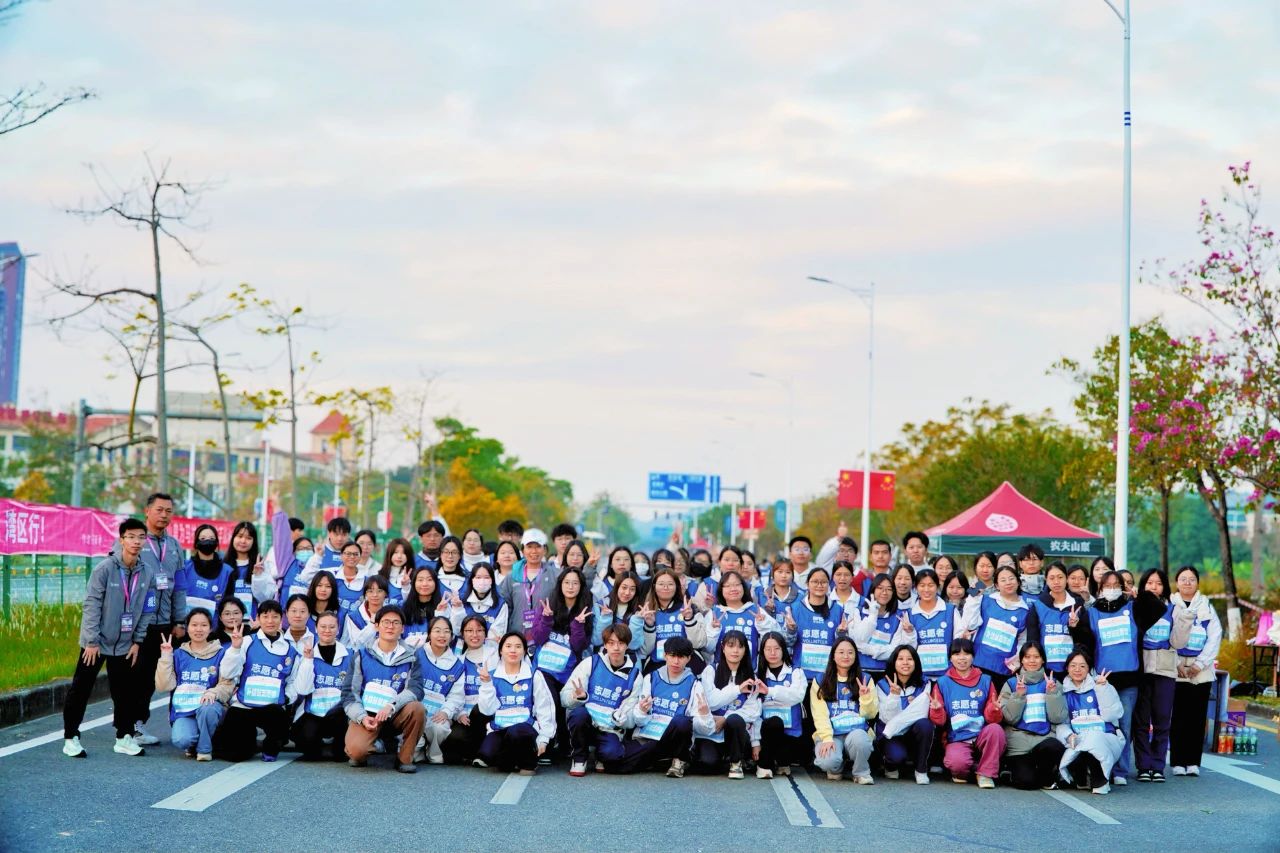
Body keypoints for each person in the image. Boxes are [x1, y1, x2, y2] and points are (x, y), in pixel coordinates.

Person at [63, 518, 158, 759]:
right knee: (81, 689)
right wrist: (91, 641)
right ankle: (71, 737)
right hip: (96, 643)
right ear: (121, 539)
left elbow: (148, 609)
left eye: (141, 537)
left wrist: (137, 641)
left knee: (124, 692)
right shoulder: (105, 569)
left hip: (125, 644)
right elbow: (91, 605)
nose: (136, 542)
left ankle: (123, 737)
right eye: (131, 537)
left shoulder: (147, 572)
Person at [1080, 567, 1167, 784]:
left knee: (1125, 727)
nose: (1111, 589)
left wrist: (1139, 595)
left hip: (1129, 678)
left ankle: (1120, 771)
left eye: (1116, 585)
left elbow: (1159, 608)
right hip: (1103, 679)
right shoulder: (1093, 611)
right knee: (1104, 726)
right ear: (1100, 589)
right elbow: (1085, 640)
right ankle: (1104, 768)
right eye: (1107, 586)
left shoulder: (1133, 608)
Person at [218, 599, 315, 762]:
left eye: (275, 617)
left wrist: (286, 698)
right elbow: (227, 673)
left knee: (279, 719)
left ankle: (271, 745)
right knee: (235, 755)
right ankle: (249, 743)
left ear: (281, 619)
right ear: (258, 618)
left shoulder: (290, 651)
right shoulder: (246, 641)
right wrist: (234, 648)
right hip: (244, 705)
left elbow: (292, 682)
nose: (270, 621)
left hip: (272, 708)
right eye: (265, 616)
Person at [341, 604, 424, 772]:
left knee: (417, 709)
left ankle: (405, 758)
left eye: (396, 622)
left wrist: (391, 706)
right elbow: (350, 694)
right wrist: (362, 717)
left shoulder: (412, 656)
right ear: (377, 626)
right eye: (386, 622)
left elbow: (415, 690)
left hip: (395, 712)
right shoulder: (361, 655)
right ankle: (378, 744)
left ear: (403, 629)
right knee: (356, 752)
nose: (390, 626)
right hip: (368, 715)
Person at [1133, 567, 1193, 782]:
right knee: (1141, 722)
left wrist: (1185, 619)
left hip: (1165, 671)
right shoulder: (1135, 607)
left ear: (1165, 587)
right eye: (1149, 583)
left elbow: (1178, 643)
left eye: (1158, 583)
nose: (1154, 587)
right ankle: (1143, 765)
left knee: (1162, 721)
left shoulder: (1173, 609)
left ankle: (1158, 766)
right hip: (1142, 671)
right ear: (1143, 585)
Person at [132, 492, 183, 748]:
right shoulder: (137, 542)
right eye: (159, 510)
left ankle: (141, 724)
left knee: (158, 675)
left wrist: (180, 620)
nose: (164, 515)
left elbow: (180, 585)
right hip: (140, 623)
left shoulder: (174, 546)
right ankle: (130, 726)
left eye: (168, 511)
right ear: (147, 511)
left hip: (166, 623)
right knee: (137, 676)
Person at [626, 636, 715, 778]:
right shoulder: (651, 678)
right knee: (619, 763)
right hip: (650, 737)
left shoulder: (695, 684)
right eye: (672, 656)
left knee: (682, 721)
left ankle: (679, 760)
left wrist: (704, 715)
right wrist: (642, 711)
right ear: (665, 655)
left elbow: (705, 729)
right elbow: (639, 720)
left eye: (681, 657)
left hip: (674, 739)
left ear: (688, 658)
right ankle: (659, 759)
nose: (676, 661)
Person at [156, 608, 238, 760]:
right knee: (182, 740)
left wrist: (213, 692)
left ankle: (204, 749)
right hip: (185, 710)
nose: (199, 629)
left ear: (210, 628)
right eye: (194, 625)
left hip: (211, 708)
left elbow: (227, 684)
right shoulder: (178, 654)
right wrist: (166, 657)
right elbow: (163, 686)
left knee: (207, 709)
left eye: (204, 625)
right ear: (187, 628)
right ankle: (196, 740)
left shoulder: (221, 653)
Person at [561, 623, 643, 776]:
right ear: (605, 645)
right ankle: (579, 757)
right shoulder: (591, 662)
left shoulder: (635, 675)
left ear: (627, 645)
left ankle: (600, 754)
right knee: (578, 715)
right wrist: (577, 697)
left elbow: (631, 719)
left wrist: (622, 719)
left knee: (612, 755)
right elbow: (564, 699)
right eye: (611, 643)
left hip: (609, 729)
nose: (616, 648)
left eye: (621, 643)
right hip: (587, 723)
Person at [531, 566, 593, 759]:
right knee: (548, 704)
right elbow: (538, 638)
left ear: (581, 586)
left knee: (564, 705)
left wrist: (578, 625)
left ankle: (563, 746)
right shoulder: (548, 605)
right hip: (544, 669)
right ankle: (546, 746)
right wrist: (546, 618)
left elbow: (579, 646)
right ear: (560, 584)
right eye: (567, 582)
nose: (571, 586)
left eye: (575, 583)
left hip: (568, 671)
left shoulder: (585, 610)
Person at [928, 638, 1006, 788]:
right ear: (950, 658)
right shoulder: (943, 683)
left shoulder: (985, 680)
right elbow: (940, 721)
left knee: (996, 730)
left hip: (982, 734)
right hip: (957, 737)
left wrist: (994, 709)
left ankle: (985, 774)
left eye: (966, 654)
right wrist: (936, 710)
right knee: (957, 765)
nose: (962, 658)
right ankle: (975, 768)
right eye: (957, 654)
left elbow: (993, 719)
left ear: (973, 656)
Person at [1168, 565, 1223, 777]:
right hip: (1176, 667)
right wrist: (1177, 663)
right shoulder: (1170, 605)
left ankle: (1193, 762)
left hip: (1201, 669)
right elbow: (1165, 635)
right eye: (1183, 579)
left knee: (1197, 717)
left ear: (1198, 583)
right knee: (1178, 716)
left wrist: (1200, 663)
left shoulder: (1206, 605)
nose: (1187, 583)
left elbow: (1215, 635)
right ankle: (1177, 761)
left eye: (1192, 579)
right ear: (1176, 582)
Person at [476, 632, 557, 774]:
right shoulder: (492, 676)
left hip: (525, 729)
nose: (513, 650)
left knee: (516, 732)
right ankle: (513, 761)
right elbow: (487, 710)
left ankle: (528, 763)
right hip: (500, 729)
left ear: (524, 651)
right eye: (508, 646)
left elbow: (545, 708)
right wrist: (487, 684)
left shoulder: (534, 675)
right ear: (501, 651)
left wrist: (544, 738)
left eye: (518, 646)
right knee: (488, 754)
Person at [1000, 641, 1068, 790]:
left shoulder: (1053, 683)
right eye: (1027, 657)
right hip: (1018, 743)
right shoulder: (1010, 684)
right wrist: (1018, 695)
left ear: (1043, 659)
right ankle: (1015, 773)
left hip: (1043, 740)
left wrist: (1052, 693)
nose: (1032, 661)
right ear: (1021, 660)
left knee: (1055, 747)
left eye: (1036, 657)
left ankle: (1045, 775)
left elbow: (1058, 717)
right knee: (1026, 782)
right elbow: (1009, 718)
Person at [1057, 649, 1125, 795]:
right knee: (1077, 745)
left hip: (1105, 738)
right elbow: (1061, 723)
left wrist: (1102, 689)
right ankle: (1082, 776)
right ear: (1067, 668)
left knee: (1094, 739)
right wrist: (1068, 735)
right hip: (1078, 741)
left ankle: (1100, 779)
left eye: (1082, 666)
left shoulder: (1101, 685)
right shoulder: (1064, 692)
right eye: (1073, 665)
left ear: (1089, 668)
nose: (1077, 669)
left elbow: (1113, 714)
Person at [810, 637, 878, 784]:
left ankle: (861, 772)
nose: (846, 656)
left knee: (861, 740)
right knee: (828, 761)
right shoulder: (821, 680)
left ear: (855, 656)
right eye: (841, 652)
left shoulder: (865, 679)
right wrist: (827, 738)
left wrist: (865, 697)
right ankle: (837, 767)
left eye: (850, 652)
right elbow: (819, 714)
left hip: (857, 731)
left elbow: (870, 714)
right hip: (832, 733)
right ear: (833, 656)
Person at [694, 630, 760, 779]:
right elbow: (711, 701)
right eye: (731, 646)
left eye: (740, 647)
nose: (735, 651)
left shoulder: (751, 676)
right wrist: (737, 689)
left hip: (737, 732)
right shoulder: (711, 670)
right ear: (723, 648)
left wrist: (726, 718)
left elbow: (753, 711)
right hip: (713, 730)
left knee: (735, 720)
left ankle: (736, 763)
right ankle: (723, 759)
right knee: (707, 764)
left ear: (745, 650)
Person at [291, 610, 350, 761]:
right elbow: (302, 689)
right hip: (313, 712)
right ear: (316, 629)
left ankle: (339, 747)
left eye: (332, 627)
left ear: (338, 629)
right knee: (308, 748)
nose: (327, 630)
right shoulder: (305, 654)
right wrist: (308, 661)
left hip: (340, 714)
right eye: (323, 627)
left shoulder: (350, 655)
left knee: (341, 754)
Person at [875, 645, 935, 785]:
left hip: (911, 732)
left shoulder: (924, 683)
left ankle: (921, 770)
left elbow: (921, 713)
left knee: (925, 724)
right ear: (894, 662)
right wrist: (894, 697)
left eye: (910, 659)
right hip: (890, 734)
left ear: (916, 662)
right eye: (900, 659)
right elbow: (887, 719)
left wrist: (909, 711)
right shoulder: (882, 685)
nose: (905, 663)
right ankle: (889, 765)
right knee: (897, 756)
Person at [441, 615, 496, 765]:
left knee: (481, 710)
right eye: (469, 631)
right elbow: (453, 694)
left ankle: (484, 750)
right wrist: (459, 713)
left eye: (479, 630)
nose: (474, 635)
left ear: (485, 633)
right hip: (467, 716)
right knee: (453, 742)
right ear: (462, 634)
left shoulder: (496, 656)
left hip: (491, 713)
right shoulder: (458, 661)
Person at [754, 631, 808, 779]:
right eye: (768, 649)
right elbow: (753, 709)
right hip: (765, 733)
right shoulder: (757, 675)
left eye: (777, 648)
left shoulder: (796, 672)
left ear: (784, 649)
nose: (773, 653)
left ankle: (781, 762)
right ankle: (764, 765)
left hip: (791, 734)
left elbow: (797, 695)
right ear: (762, 651)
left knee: (787, 752)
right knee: (774, 723)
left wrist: (770, 691)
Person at [966, 565, 1029, 691]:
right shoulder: (985, 599)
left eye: (1011, 578)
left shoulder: (1026, 610)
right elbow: (970, 624)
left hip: (1004, 670)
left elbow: (1023, 641)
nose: (1008, 583)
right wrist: (974, 596)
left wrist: (1016, 661)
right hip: (979, 663)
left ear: (1018, 582)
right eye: (1003, 580)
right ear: (996, 585)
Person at [414, 616, 466, 765]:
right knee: (412, 755)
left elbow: (456, 696)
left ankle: (433, 751)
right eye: (437, 631)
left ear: (452, 636)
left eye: (446, 631)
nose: (442, 635)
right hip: (415, 710)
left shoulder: (457, 665)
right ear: (429, 634)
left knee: (439, 727)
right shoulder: (416, 654)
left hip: (438, 712)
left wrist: (446, 712)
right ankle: (417, 748)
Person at [784, 567, 850, 683]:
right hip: (800, 676)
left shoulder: (838, 610)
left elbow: (842, 645)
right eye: (815, 581)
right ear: (807, 584)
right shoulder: (795, 609)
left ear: (828, 585)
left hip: (827, 676)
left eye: (823, 582)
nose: (819, 585)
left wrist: (841, 634)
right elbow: (787, 643)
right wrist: (791, 631)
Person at [1024, 562, 1086, 676]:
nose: (1056, 582)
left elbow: (1086, 640)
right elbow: (1032, 640)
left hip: (1073, 670)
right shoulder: (1038, 606)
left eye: (1060, 577)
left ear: (1066, 579)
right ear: (1046, 580)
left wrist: (1075, 627)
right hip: (1046, 670)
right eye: (1052, 578)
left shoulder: (1078, 604)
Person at [640, 569, 706, 672]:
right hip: (657, 666)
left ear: (677, 587)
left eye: (670, 584)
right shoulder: (647, 611)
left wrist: (689, 619)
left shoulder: (689, 609)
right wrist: (649, 625)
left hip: (688, 667)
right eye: (661, 584)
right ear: (654, 587)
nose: (665, 587)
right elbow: (645, 650)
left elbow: (699, 643)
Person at [499, 529, 559, 641]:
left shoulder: (555, 575)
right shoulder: (512, 576)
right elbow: (504, 608)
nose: (534, 551)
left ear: (545, 549)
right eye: (529, 547)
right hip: (516, 637)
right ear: (523, 550)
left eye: (538, 546)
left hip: (547, 638)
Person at [706, 570, 777, 665]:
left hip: (750, 670)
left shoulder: (756, 611)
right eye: (728, 586)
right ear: (720, 590)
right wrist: (713, 631)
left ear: (743, 587)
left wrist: (763, 624)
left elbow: (775, 640)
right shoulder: (715, 613)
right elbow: (707, 649)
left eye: (737, 585)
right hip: (722, 671)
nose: (733, 589)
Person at [852, 573, 909, 683]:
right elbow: (858, 640)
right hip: (860, 671)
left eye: (889, 589)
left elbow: (895, 650)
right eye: (880, 588)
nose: (884, 592)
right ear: (873, 590)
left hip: (886, 674)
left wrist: (868, 649)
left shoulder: (899, 617)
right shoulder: (858, 612)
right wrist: (872, 616)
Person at [174, 524, 233, 626]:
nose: (207, 541)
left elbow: (229, 604)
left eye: (211, 539)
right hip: (186, 628)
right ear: (196, 543)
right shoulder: (184, 567)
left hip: (214, 629)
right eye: (203, 539)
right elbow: (176, 597)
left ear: (216, 543)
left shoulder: (227, 571)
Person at [904, 569, 955, 680]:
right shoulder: (909, 614)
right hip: (919, 676)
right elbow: (908, 648)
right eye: (922, 585)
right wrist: (909, 633)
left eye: (931, 585)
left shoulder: (951, 610)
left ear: (937, 586)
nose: (926, 589)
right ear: (915, 588)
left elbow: (957, 641)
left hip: (947, 676)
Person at [449, 561, 508, 641]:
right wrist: (458, 609)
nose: (482, 581)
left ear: (492, 580)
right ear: (472, 580)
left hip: (488, 648)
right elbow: (456, 631)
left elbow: (496, 636)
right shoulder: (460, 600)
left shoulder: (501, 604)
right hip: (462, 647)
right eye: (478, 577)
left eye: (486, 577)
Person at [591, 571, 646, 654]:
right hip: (604, 656)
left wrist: (637, 621)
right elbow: (596, 641)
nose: (627, 593)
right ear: (617, 587)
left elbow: (634, 646)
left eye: (632, 589)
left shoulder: (640, 610)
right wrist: (605, 619)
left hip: (629, 657)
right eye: (624, 587)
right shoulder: (602, 605)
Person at [402, 566, 447, 648]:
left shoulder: (444, 606)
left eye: (429, 580)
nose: (425, 584)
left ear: (436, 583)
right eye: (420, 580)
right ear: (414, 583)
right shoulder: (404, 607)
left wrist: (440, 613)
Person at [299, 516, 351, 584]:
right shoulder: (318, 552)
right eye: (336, 534)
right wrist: (317, 557)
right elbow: (305, 579)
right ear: (329, 533)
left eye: (344, 535)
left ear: (348, 535)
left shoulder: (354, 554)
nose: (340, 539)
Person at [343, 574, 391, 647]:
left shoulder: (392, 614)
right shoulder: (354, 617)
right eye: (370, 591)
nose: (375, 595)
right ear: (365, 594)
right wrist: (372, 624)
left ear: (386, 594)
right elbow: (356, 644)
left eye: (379, 591)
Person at [330, 542, 369, 624]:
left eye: (355, 554)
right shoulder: (332, 576)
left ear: (360, 556)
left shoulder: (367, 580)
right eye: (348, 554)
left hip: (357, 625)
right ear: (341, 555)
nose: (352, 557)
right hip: (334, 624)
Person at [378, 537, 417, 604]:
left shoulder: (414, 576)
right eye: (396, 552)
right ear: (389, 554)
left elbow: (412, 603)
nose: (399, 556)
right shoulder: (381, 575)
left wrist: (406, 586)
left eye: (403, 553)